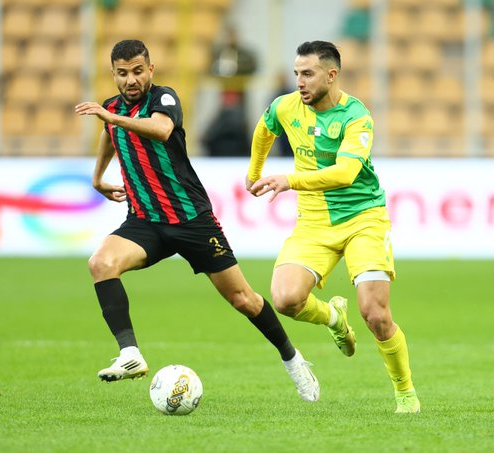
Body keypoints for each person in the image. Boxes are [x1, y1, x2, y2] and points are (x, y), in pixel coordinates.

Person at [74, 39, 319, 402]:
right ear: (113, 74)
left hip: (191, 219)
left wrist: (111, 119)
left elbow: (160, 130)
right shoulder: (112, 109)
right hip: (145, 220)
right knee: (101, 263)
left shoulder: (164, 99)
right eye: (123, 73)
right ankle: (130, 353)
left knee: (243, 299)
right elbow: (109, 136)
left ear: (150, 70)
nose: (131, 80)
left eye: (138, 71)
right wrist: (97, 178)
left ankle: (293, 359)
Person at [245, 41, 420, 413]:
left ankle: (405, 392)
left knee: (375, 314)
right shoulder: (286, 106)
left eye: (308, 74)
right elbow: (264, 130)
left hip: (363, 219)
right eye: (297, 73)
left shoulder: (356, 116)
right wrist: (254, 173)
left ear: (331, 75)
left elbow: (345, 173)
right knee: (285, 299)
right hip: (313, 222)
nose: (300, 82)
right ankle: (333, 318)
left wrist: (289, 180)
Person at [203, 25, 257, 157]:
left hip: (239, 93)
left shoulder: (245, 54)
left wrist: (235, 68)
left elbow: (252, 66)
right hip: (222, 92)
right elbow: (209, 68)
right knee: (219, 123)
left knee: (241, 123)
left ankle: (246, 150)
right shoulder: (218, 53)